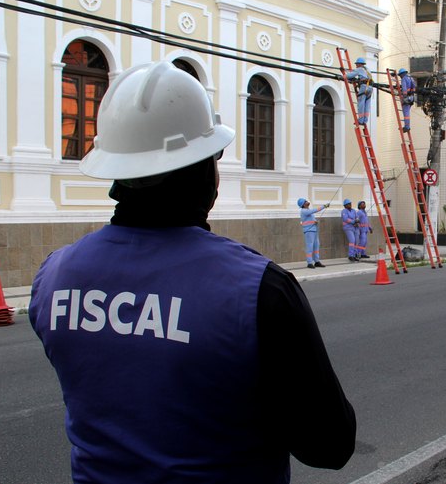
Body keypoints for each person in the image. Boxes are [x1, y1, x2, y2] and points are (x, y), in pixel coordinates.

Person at [28, 61, 355, 484]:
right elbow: (329, 445)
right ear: (204, 169)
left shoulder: (53, 277)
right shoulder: (259, 291)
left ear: (116, 171)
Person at [299, 197, 328, 269]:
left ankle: (317, 261)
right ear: (303, 204)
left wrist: (314, 221)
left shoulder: (308, 210)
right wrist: (323, 206)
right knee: (310, 246)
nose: (307, 202)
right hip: (309, 231)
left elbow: (310, 219)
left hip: (314, 230)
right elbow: (314, 210)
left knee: (316, 246)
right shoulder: (304, 211)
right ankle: (309, 262)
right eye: (305, 201)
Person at [344, 57, 374, 125]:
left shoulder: (359, 69)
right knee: (367, 104)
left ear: (360, 64)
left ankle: (360, 120)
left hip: (364, 87)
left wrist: (342, 76)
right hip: (370, 88)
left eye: (357, 64)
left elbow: (350, 75)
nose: (356, 65)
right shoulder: (368, 69)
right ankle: (365, 120)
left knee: (361, 103)